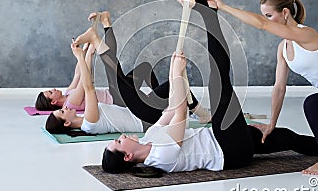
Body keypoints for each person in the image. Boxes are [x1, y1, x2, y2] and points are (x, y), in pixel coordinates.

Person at [101, 0, 318, 174]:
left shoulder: (150, 141)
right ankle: (209, 14)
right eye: (118, 142)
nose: (121, 137)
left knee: (290, 139)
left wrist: (176, 78)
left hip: (228, 138)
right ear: (127, 157)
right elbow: (181, 113)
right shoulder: (161, 157)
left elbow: (170, 111)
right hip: (228, 150)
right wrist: (176, 75)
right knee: (220, 85)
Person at [204, 0, 318, 174]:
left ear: (285, 13)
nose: (266, 19)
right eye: (265, 16)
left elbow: (261, 25)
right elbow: (279, 88)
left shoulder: (306, 34)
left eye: (269, 15)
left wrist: (223, 6)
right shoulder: (282, 48)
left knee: (312, 104)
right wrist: (271, 124)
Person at [45, 11, 211, 135]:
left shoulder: (87, 120)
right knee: (117, 82)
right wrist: (81, 56)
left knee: (172, 85)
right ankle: (97, 35)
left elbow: (88, 82)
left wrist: (85, 56)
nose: (65, 108)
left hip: (140, 109)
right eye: (61, 111)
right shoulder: (89, 123)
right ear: (66, 123)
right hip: (142, 119)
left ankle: (202, 114)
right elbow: (88, 87)